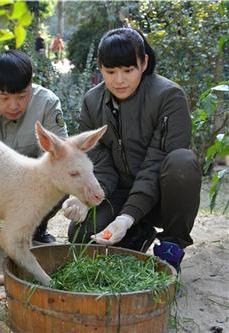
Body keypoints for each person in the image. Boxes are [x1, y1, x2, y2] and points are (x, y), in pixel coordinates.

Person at [62, 28, 202, 272]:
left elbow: (154, 164)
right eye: (111, 71)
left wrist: (126, 216)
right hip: (118, 192)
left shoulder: (169, 96)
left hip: (162, 196)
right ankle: (137, 232)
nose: (119, 80)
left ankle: (171, 247)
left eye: (128, 70)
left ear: (144, 63)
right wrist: (86, 198)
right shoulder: (91, 103)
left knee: (183, 163)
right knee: (81, 236)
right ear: (100, 67)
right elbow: (98, 164)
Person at [0, 50, 68, 247]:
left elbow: (59, 157)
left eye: (22, 96)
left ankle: (37, 227)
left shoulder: (48, 103)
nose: (14, 106)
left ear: (30, 88)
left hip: (30, 181)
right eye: (5, 97)